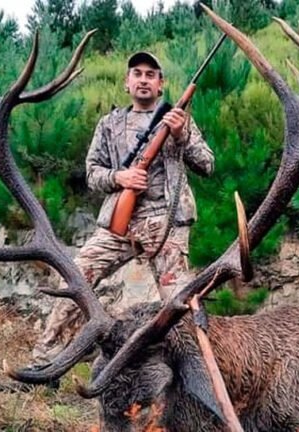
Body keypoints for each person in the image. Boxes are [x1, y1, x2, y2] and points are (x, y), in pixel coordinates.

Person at [30, 51, 214, 372]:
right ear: (127, 83)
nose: (143, 79)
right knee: (74, 281)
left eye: (151, 74)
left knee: (178, 303)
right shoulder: (110, 124)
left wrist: (181, 136)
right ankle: (46, 361)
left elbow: (208, 165)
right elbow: (92, 173)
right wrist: (120, 177)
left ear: (161, 84)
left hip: (165, 225)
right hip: (119, 226)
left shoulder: (179, 119)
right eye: (137, 74)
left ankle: (193, 372)